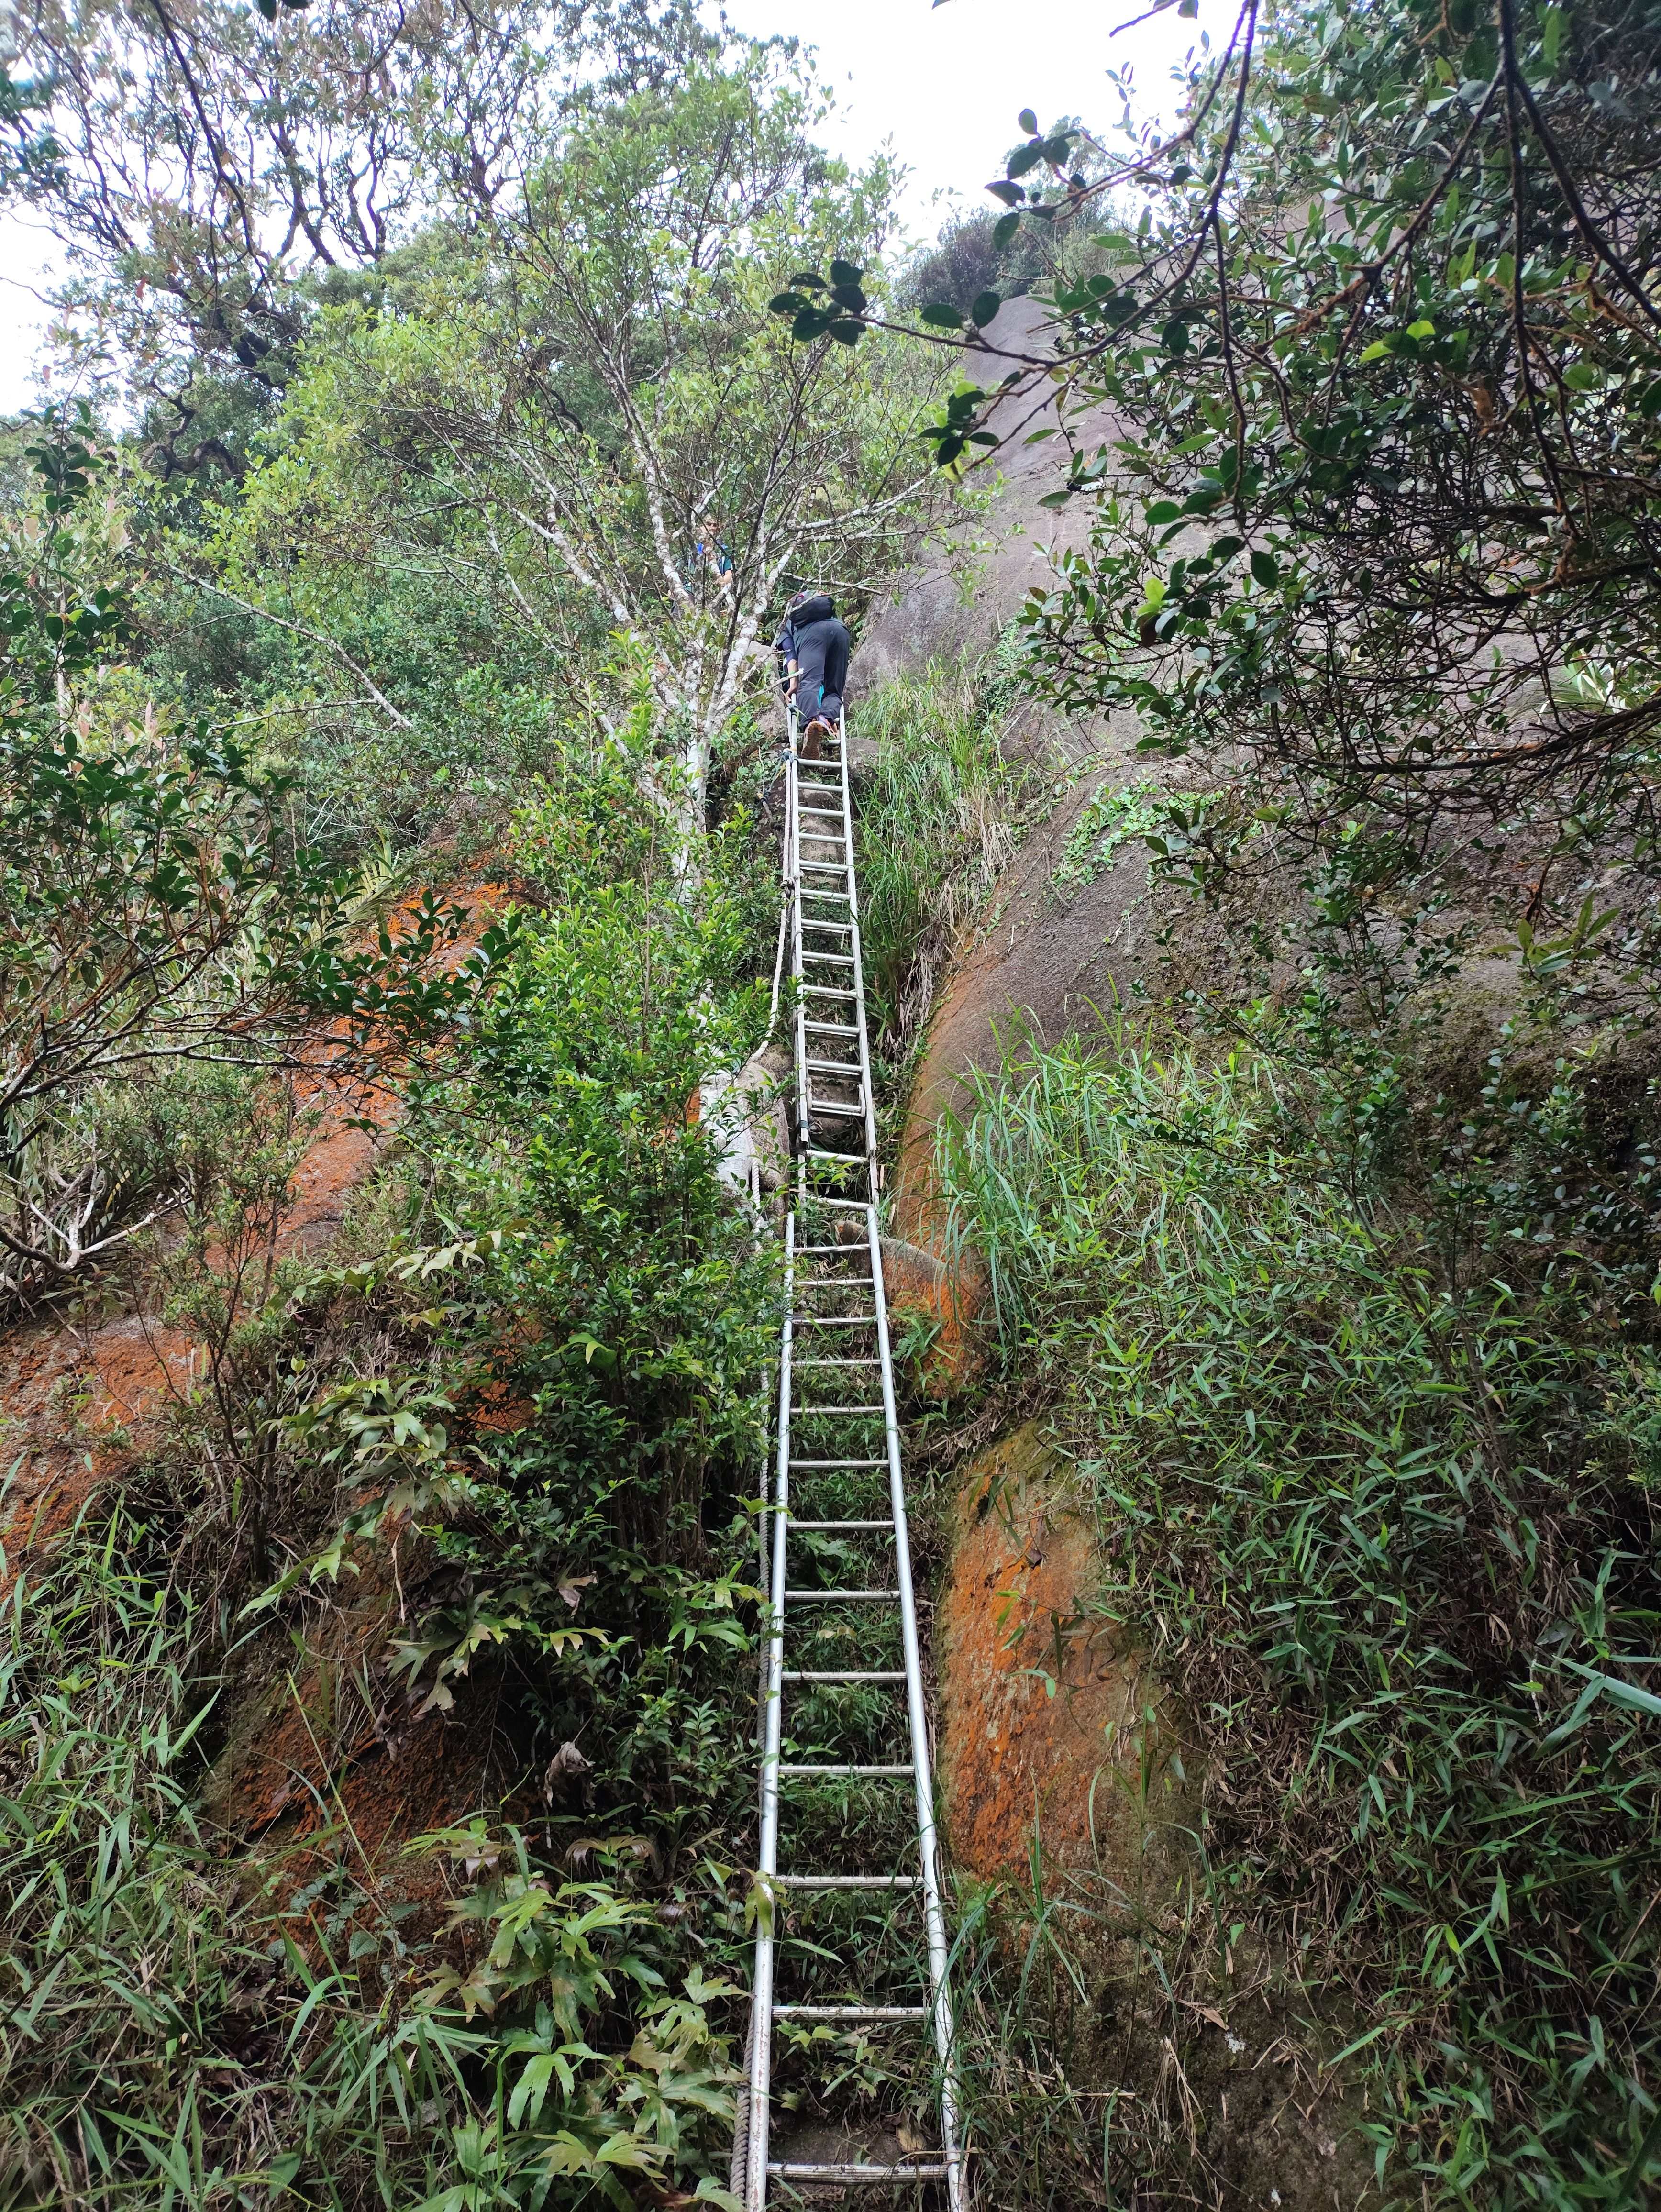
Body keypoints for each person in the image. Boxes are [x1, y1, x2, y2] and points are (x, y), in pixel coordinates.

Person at [771, 589, 851, 757]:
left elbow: (791, 656)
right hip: (841, 632)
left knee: (808, 683)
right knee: (834, 690)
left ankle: (810, 725)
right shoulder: (824, 608)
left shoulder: (786, 627)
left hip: (813, 637)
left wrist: (794, 683)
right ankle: (825, 720)